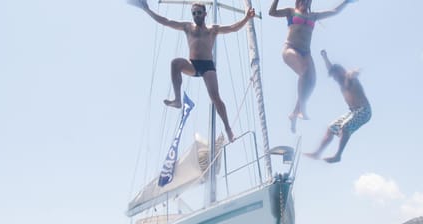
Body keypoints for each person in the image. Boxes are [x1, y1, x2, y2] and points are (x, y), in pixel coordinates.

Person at [138, 0, 256, 142]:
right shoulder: (187, 27)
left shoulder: (212, 29)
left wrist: (246, 18)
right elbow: (166, 21)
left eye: (199, 13)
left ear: (205, 14)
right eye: (194, 13)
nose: (196, 15)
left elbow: (232, 28)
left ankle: (228, 128)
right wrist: (148, 10)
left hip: (207, 66)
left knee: (215, 97)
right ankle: (177, 100)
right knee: (175, 63)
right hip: (192, 65)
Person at [268, 0, 353, 133]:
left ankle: (294, 113)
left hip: (306, 52)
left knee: (312, 81)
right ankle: (301, 107)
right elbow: (271, 13)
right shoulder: (290, 12)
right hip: (290, 48)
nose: (305, 2)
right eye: (303, 0)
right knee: (304, 71)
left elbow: (334, 12)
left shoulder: (314, 16)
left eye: (308, 1)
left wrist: (346, 2)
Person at [304, 50, 371, 163]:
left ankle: (338, 156)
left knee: (345, 127)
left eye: (335, 77)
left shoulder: (348, 78)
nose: (335, 80)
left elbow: (351, 74)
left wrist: (355, 72)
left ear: (341, 72)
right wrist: (325, 58)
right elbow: (331, 69)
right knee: (331, 128)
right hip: (353, 112)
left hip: (364, 111)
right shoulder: (340, 81)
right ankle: (317, 153)